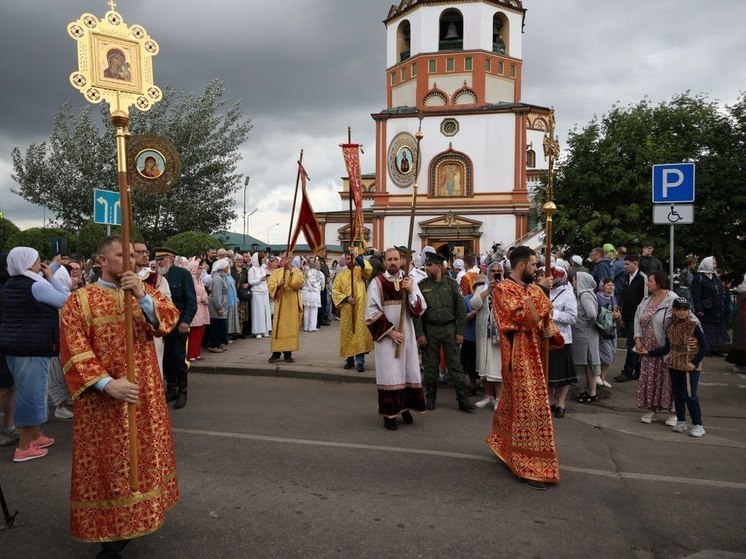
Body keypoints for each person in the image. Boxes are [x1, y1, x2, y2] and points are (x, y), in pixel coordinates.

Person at [59, 235, 180, 555]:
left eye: (133, 255)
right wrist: (105, 383)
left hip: (144, 395)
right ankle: (109, 538)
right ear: (101, 261)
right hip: (103, 405)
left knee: (141, 463)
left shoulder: (145, 292)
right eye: (120, 255)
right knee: (108, 468)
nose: (131, 261)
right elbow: (73, 349)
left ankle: (138, 518)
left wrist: (141, 295)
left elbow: (168, 321)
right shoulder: (79, 300)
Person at [486, 245, 560, 490]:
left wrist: (551, 331)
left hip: (536, 353)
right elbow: (522, 318)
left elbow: (543, 322)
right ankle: (528, 464)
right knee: (529, 409)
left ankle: (501, 443)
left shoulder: (535, 289)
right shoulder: (503, 289)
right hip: (517, 356)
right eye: (532, 265)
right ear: (520, 266)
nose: (536, 269)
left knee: (520, 405)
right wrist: (542, 299)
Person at [0, 248, 68, 462]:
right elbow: (65, 301)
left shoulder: (11, 283)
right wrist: (51, 277)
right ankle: (24, 447)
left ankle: (35, 437)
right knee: (33, 396)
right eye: (38, 261)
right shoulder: (37, 285)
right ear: (29, 264)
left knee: (27, 392)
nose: (41, 264)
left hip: (15, 346)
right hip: (33, 346)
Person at [365, 248, 427, 430]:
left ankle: (406, 407)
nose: (393, 262)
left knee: (408, 372)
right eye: (389, 259)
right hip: (387, 339)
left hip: (407, 334)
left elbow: (420, 309)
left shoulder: (409, 282)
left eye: (396, 259)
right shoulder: (377, 283)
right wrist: (390, 332)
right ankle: (390, 414)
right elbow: (371, 312)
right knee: (390, 374)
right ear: (384, 262)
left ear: (402, 261)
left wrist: (411, 292)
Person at [415, 251, 474, 412]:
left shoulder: (452, 284)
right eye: (426, 265)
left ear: (439, 266)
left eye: (429, 265)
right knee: (431, 366)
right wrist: (419, 333)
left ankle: (462, 399)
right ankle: (431, 397)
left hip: (450, 329)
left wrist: (460, 332)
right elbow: (417, 313)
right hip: (430, 330)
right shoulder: (422, 286)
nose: (427, 268)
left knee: (455, 365)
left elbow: (461, 311)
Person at [646, 297, 708, 437]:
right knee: (678, 394)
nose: (681, 312)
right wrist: (649, 353)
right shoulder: (670, 327)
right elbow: (667, 347)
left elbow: (704, 347)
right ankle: (681, 421)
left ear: (688, 311)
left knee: (690, 395)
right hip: (674, 364)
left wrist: (694, 362)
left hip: (689, 365)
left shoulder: (694, 326)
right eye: (678, 309)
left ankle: (698, 424)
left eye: (684, 309)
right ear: (673, 311)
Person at [154, 247, 196, 409]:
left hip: (179, 324)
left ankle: (182, 392)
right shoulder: (154, 277)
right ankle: (171, 390)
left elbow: (191, 300)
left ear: (171, 259)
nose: (159, 262)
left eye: (162, 259)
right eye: (157, 259)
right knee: (165, 359)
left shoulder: (182, 274)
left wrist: (186, 321)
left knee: (178, 359)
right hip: (161, 325)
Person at [634, 271, 678, 426]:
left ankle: (673, 412)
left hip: (665, 349)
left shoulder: (672, 299)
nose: (647, 284)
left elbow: (686, 317)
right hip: (647, 350)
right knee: (650, 380)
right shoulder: (647, 300)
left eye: (650, 281)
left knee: (668, 380)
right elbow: (637, 319)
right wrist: (637, 338)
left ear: (659, 283)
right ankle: (652, 409)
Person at [332, 250, 374, 372]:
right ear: (345, 259)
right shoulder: (341, 274)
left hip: (360, 307)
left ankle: (360, 361)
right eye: (348, 259)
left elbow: (368, 270)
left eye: (352, 258)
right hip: (347, 308)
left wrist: (358, 259)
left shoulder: (360, 270)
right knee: (348, 333)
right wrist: (346, 299)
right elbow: (335, 290)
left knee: (359, 333)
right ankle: (350, 359)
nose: (350, 261)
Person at [547, 266, 577, 418]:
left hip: (562, 338)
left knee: (563, 374)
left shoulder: (568, 294)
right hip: (545, 337)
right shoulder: (542, 291)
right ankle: (551, 400)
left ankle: (561, 403)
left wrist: (553, 313)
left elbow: (572, 317)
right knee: (549, 372)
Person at [615, 254, 647, 383]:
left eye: (628, 264)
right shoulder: (627, 278)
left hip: (637, 317)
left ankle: (629, 371)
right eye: (625, 264)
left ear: (635, 264)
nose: (625, 266)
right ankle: (636, 370)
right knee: (632, 344)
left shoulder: (642, 278)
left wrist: (642, 317)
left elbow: (645, 299)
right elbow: (626, 298)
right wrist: (623, 316)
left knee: (632, 343)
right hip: (628, 315)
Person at [573, 272, 602, 403]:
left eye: (575, 280)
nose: (573, 282)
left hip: (585, 334)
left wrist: (584, 323)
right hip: (587, 334)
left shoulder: (584, 296)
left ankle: (590, 392)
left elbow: (591, 314)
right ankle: (590, 391)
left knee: (587, 363)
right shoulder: (588, 294)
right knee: (588, 363)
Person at [268, 256, 304, 363]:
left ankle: (288, 353)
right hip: (280, 304)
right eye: (284, 258)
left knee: (290, 327)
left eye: (289, 259)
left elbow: (297, 285)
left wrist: (291, 273)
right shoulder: (276, 272)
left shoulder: (297, 271)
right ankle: (276, 353)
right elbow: (270, 285)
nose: (286, 260)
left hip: (291, 304)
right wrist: (278, 285)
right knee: (278, 327)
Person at [691, 256, 731, 355]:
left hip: (717, 308)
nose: (715, 264)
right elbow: (696, 294)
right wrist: (699, 308)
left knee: (717, 328)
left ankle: (716, 349)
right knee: (707, 329)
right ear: (707, 263)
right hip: (706, 308)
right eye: (713, 263)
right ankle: (706, 349)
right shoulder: (699, 277)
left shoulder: (715, 277)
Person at [596, 277, 620, 388]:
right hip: (602, 330)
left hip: (612, 329)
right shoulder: (597, 298)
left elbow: (617, 311)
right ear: (602, 286)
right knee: (606, 354)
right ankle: (596, 377)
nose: (611, 287)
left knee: (612, 354)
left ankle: (602, 378)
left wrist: (618, 315)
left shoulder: (613, 298)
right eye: (608, 285)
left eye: (612, 285)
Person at [186, 259, 210, 362]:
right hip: (195, 308)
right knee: (194, 332)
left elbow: (204, 291)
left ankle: (197, 352)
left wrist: (205, 297)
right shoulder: (189, 280)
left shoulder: (200, 280)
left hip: (202, 308)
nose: (201, 270)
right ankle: (191, 353)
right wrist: (200, 299)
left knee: (200, 331)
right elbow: (189, 295)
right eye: (199, 268)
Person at [206, 259, 229, 353]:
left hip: (221, 302)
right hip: (216, 304)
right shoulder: (218, 278)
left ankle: (218, 343)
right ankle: (214, 345)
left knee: (220, 325)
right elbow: (217, 294)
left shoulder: (221, 277)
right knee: (216, 324)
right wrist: (219, 307)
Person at [247, 252, 272, 338]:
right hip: (256, 292)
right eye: (261, 258)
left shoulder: (263, 268)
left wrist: (265, 278)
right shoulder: (252, 269)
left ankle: (265, 330)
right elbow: (250, 282)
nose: (262, 260)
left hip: (264, 291)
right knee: (258, 312)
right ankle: (258, 331)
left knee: (266, 311)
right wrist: (260, 279)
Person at [726, 273, 746, 373]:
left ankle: (739, 365)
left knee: (740, 344)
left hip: (740, 319)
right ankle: (740, 365)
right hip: (743, 320)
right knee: (742, 344)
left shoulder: (742, 291)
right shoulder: (745, 292)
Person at [301, 258, 325, 332]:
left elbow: (302, 283)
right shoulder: (321, 274)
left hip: (306, 292)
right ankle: (312, 327)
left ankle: (306, 327)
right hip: (315, 293)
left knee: (306, 309)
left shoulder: (306, 272)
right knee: (314, 310)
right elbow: (323, 286)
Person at [232, 254, 251, 339]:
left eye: (241, 260)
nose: (240, 261)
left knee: (243, 314)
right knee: (235, 313)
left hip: (243, 293)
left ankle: (241, 332)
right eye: (238, 259)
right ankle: (234, 332)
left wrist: (247, 285)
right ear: (234, 260)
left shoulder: (245, 270)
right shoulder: (232, 270)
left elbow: (248, 281)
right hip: (234, 293)